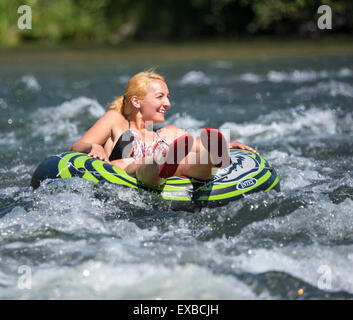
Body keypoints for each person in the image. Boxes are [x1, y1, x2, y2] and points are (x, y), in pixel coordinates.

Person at [71, 71, 256, 187]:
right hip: (130, 170)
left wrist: (227, 145)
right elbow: (77, 146)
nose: (167, 103)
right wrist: (91, 147)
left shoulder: (168, 133)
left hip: (169, 172)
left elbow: (198, 145)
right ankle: (163, 159)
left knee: (185, 155)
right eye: (160, 97)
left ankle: (212, 160)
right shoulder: (117, 122)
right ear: (137, 101)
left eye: (167, 97)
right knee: (138, 161)